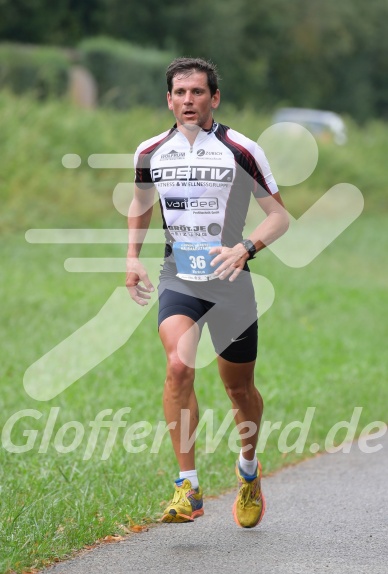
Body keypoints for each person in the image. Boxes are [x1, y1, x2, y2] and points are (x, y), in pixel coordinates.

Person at [126, 57, 289, 528]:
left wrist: (245, 247)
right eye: (180, 93)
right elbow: (139, 203)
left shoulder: (241, 149)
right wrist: (132, 258)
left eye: (197, 92)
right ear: (169, 99)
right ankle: (188, 486)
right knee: (178, 365)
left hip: (231, 281)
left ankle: (249, 468)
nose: (188, 101)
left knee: (239, 389)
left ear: (214, 98)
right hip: (179, 275)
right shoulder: (151, 151)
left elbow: (279, 216)